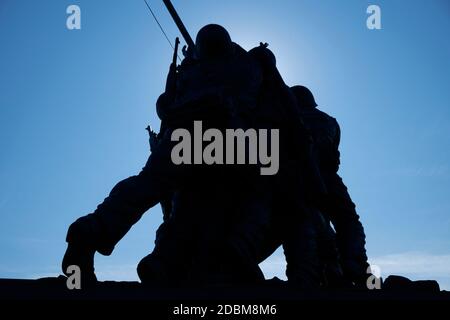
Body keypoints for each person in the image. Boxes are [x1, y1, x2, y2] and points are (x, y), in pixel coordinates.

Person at [290, 85, 370, 287]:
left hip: (300, 179)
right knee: (348, 222)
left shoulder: (288, 120)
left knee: (301, 224)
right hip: (329, 179)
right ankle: (353, 263)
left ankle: (307, 275)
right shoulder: (329, 121)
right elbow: (334, 158)